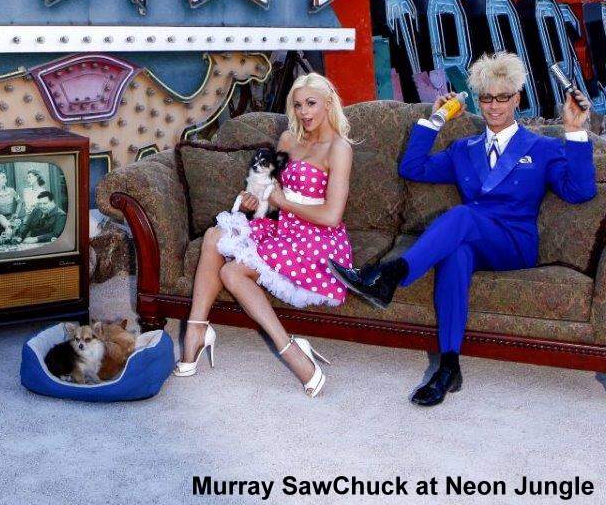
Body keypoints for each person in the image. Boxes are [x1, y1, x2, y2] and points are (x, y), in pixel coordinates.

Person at [329, 52, 596, 406]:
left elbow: (580, 191)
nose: (494, 106)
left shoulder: (542, 147)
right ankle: (448, 366)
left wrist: (575, 131)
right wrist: (437, 118)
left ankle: (388, 276)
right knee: (456, 254)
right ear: (478, 101)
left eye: (503, 97)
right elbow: (413, 169)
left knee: (462, 216)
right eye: (486, 98)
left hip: (514, 244)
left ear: (517, 98)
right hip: (471, 239)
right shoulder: (463, 149)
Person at [174, 73, 354, 398]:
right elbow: (273, 197)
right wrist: (255, 203)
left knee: (231, 272)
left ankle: (291, 350)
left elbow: (331, 216)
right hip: (284, 228)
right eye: (298, 105)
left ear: (329, 103)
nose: (304, 112)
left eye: (311, 103)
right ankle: (195, 332)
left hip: (318, 241)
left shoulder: (339, 148)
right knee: (214, 235)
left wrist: (283, 203)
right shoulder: (288, 140)